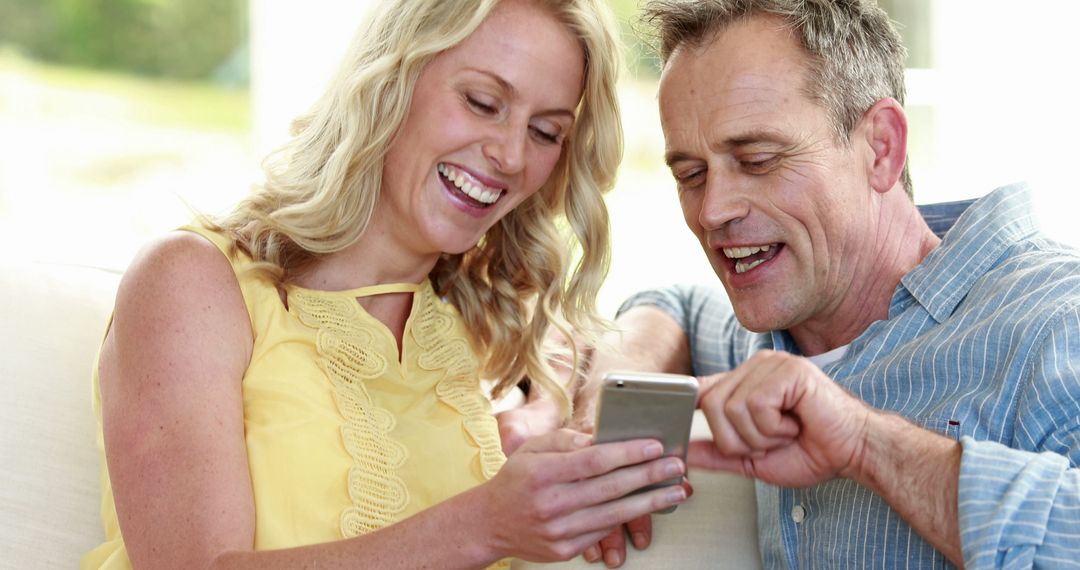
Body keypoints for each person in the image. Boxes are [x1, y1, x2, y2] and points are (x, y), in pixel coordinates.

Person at [81, 0, 691, 568]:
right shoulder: (194, 283)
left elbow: (650, 321)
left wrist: (568, 406)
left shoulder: (486, 325)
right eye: (483, 101)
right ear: (390, 82)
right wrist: (485, 524)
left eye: (545, 132)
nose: (509, 154)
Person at [567, 0, 1080, 568]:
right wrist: (607, 408)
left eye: (758, 159)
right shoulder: (774, 332)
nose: (713, 210)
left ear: (881, 147)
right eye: (691, 174)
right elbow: (673, 307)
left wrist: (867, 444)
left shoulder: (1057, 321)